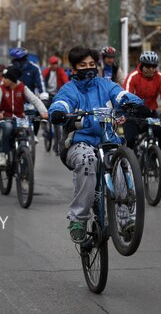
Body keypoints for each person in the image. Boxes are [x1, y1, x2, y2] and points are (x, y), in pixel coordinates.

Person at [48, 46, 145, 243]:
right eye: (83, 65)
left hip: (108, 142)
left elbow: (119, 94)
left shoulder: (104, 84)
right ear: (74, 69)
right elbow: (62, 103)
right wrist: (59, 112)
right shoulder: (69, 89)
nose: (88, 68)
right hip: (78, 144)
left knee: (121, 167)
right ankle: (78, 219)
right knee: (88, 160)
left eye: (92, 64)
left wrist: (130, 102)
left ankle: (126, 221)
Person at [0, 66, 48, 167]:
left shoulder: (22, 87)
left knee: (25, 133)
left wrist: (43, 112)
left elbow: (35, 100)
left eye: (6, 78)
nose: (3, 80)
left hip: (20, 118)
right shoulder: (1, 88)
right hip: (5, 117)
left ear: (12, 78)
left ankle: (24, 158)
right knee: (8, 128)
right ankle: (3, 155)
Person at [123, 51, 161, 150]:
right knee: (130, 140)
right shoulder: (133, 77)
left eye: (154, 67)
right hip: (133, 114)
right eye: (148, 66)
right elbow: (126, 96)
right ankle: (130, 161)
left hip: (150, 113)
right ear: (142, 65)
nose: (151, 69)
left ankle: (156, 159)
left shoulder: (160, 77)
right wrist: (136, 107)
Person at [10, 47, 48, 136]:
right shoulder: (10, 68)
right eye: (15, 60)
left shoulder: (34, 68)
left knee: (37, 117)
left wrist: (44, 96)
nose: (18, 63)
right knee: (10, 130)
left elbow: (40, 84)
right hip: (14, 101)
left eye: (21, 60)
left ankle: (33, 136)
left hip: (31, 101)